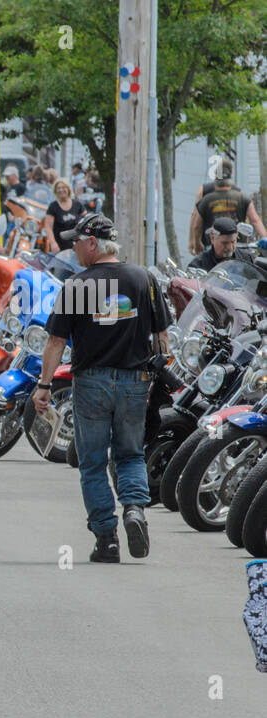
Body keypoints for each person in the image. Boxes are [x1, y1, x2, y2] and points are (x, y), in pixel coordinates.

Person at [33, 213, 171, 563]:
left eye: (77, 241)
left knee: (93, 463)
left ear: (93, 243)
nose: (73, 248)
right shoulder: (144, 278)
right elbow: (162, 338)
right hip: (135, 382)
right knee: (130, 454)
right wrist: (156, 380)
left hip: (91, 382)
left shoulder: (77, 286)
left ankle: (107, 539)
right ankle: (135, 511)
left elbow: (55, 341)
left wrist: (44, 386)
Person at [191, 172, 266, 254]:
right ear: (231, 177)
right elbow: (255, 220)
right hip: (238, 247)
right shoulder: (242, 197)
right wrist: (265, 239)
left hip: (213, 248)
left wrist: (197, 244)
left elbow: (196, 226)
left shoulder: (206, 200)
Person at [188, 217, 257, 270]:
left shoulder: (246, 259)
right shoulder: (199, 265)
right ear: (212, 238)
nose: (230, 247)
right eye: (225, 243)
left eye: (233, 242)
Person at [41, 178, 86, 253]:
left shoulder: (78, 205)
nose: (61, 190)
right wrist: (53, 243)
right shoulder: (53, 207)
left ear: (68, 189)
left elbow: (86, 221)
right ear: (55, 191)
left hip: (77, 246)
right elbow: (48, 227)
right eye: (58, 188)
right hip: (60, 246)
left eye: (63, 187)